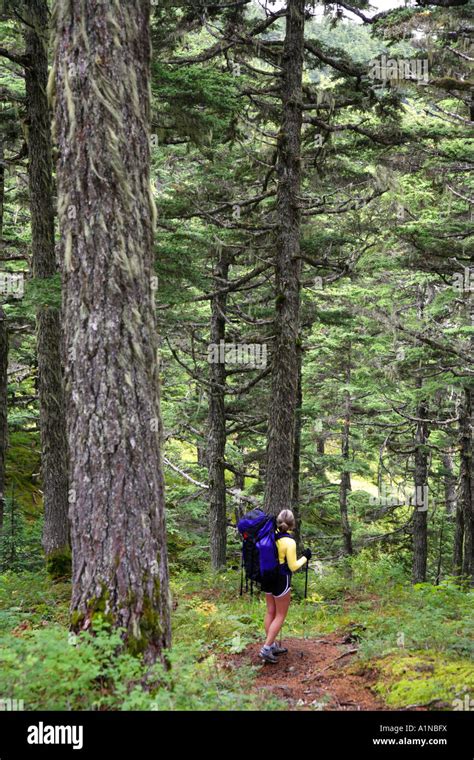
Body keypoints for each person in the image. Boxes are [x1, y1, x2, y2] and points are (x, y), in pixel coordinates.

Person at [259, 509, 312, 663]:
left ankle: (272, 645)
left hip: (267, 577)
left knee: (270, 611)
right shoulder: (289, 542)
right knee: (280, 615)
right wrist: (305, 558)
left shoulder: (269, 536)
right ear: (292, 525)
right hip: (281, 579)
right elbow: (293, 566)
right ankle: (267, 648)